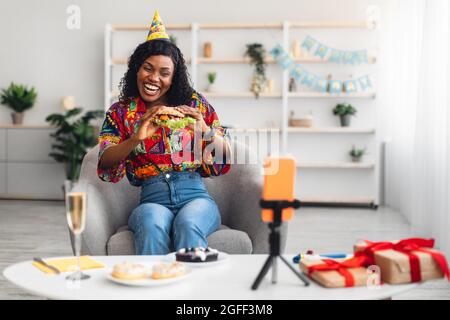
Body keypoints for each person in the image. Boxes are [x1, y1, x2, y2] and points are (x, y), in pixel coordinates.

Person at [97, 10, 231, 255]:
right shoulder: (121, 112)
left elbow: (225, 156)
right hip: (152, 199)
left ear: (173, 77)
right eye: (148, 68)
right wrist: (136, 137)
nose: (154, 78)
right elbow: (105, 160)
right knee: (151, 223)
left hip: (196, 197)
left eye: (164, 73)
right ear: (136, 69)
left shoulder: (194, 104)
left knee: (188, 223)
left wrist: (204, 131)